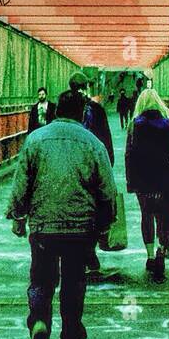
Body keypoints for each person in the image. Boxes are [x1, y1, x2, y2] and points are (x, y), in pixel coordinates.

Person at [7, 89, 118, 339]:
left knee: (41, 281)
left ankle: (40, 322)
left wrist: (18, 216)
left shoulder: (35, 140)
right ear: (82, 113)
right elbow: (107, 189)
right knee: (73, 284)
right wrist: (106, 223)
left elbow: (21, 184)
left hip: (43, 226)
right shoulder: (92, 143)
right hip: (80, 228)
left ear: (56, 111)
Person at [124, 87, 169, 281]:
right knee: (164, 217)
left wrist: (131, 182)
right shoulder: (167, 125)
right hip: (164, 181)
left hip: (143, 181)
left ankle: (149, 256)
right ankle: (161, 250)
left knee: (146, 215)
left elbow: (129, 155)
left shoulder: (134, 125)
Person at [69, 71, 113, 275]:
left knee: (71, 205)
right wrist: (108, 163)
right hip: (92, 165)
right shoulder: (96, 109)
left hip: (70, 165)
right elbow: (105, 136)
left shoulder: (64, 106)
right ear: (87, 87)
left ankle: (79, 252)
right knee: (93, 207)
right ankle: (88, 250)